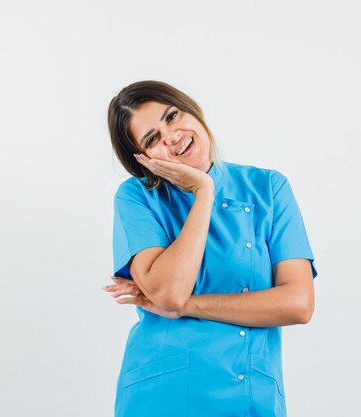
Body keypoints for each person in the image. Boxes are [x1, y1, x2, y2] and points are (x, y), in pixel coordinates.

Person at [102, 80, 318, 417]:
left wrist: (189, 306)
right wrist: (204, 192)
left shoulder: (269, 188)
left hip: (251, 394)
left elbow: (298, 304)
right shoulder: (137, 197)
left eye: (172, 117)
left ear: (192, 111)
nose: (171, 136)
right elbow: (170, 292)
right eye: (152, 139)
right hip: (163, 397)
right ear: (143, 160)